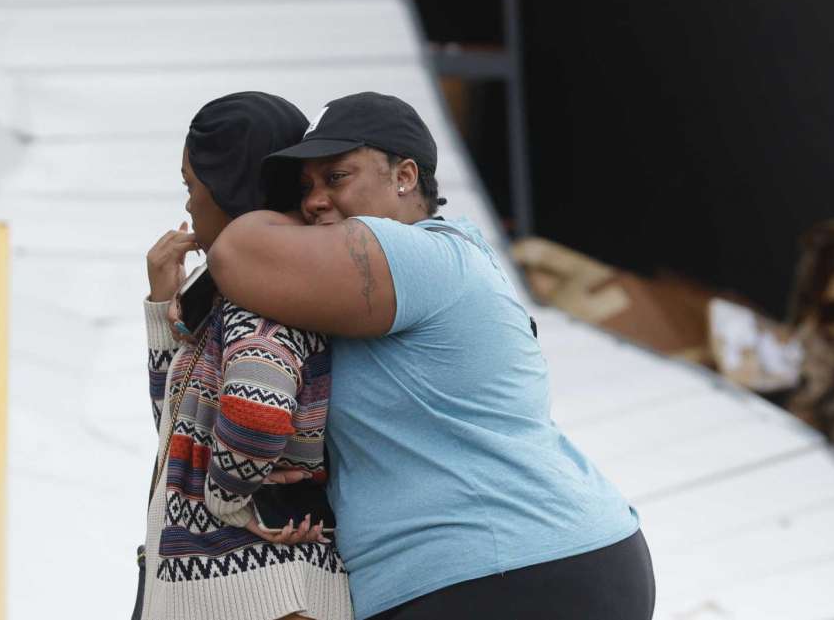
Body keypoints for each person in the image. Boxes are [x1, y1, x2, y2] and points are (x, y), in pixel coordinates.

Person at [206, 92, 656, 620]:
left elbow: (235, 252)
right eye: (304, 187)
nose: (313, 202)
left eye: (337, 177)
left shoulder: (420, 255)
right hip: (510, 568)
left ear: (405, 176)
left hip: (507, 568)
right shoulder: (380, 284)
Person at [139, 92, 353, 620]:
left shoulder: (260, 300)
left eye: (192, 185)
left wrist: (224, 499)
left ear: (229, 185)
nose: (188, 204)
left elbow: (258, 415)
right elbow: (177, 436)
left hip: (256, 591)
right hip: (251, 589)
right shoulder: (255, 289)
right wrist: (163, 308)